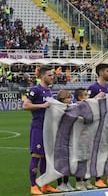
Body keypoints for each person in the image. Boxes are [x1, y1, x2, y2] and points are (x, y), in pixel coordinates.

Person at [23, 66, 61, 195]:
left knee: (45, 157)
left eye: (53, 75)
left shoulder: (48, 91)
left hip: (48, 128)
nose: (52, 77)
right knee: (37, 155)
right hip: (38, 127)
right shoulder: (36, 90)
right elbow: (25, 105)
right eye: (50, 75)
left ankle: (45, 185)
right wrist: (42, 105)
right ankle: (33, 186)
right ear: (43, 76)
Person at [73, 88, 97, 191]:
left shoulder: (89, 106)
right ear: (79, 97)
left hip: (88, 136)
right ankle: (78, 182)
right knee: (80, 159)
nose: (88, 97)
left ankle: (87, 180)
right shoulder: (76, 107)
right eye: (86, 95)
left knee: (88, 159)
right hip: (79, 137)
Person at [56, 90, 76, 192]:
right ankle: (60, 184)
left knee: (68, 161)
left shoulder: (72, 107)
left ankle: (66, 182)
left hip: (68, 137)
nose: (70, 100)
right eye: (67, 98)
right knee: (60, 162)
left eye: (70, 97)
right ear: (62, 99)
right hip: (59, 138)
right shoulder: (57, 109)